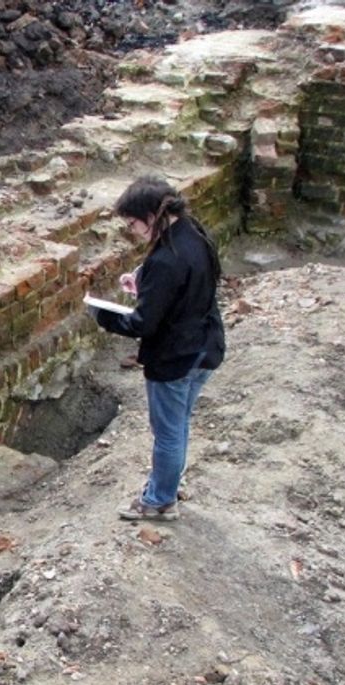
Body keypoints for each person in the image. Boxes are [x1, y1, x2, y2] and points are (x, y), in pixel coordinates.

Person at [87, 176, 226, 521]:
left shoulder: (166, 260)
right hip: (205, 346)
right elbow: (186, 286)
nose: (133, 231)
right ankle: (168, 483)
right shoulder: (194, 233)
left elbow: (142, 324)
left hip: (175, 358)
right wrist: (144, 282)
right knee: (178, 424)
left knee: (167, 433)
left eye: (133, 224)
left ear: (151, 216)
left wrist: (102, 315)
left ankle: (160, 500)